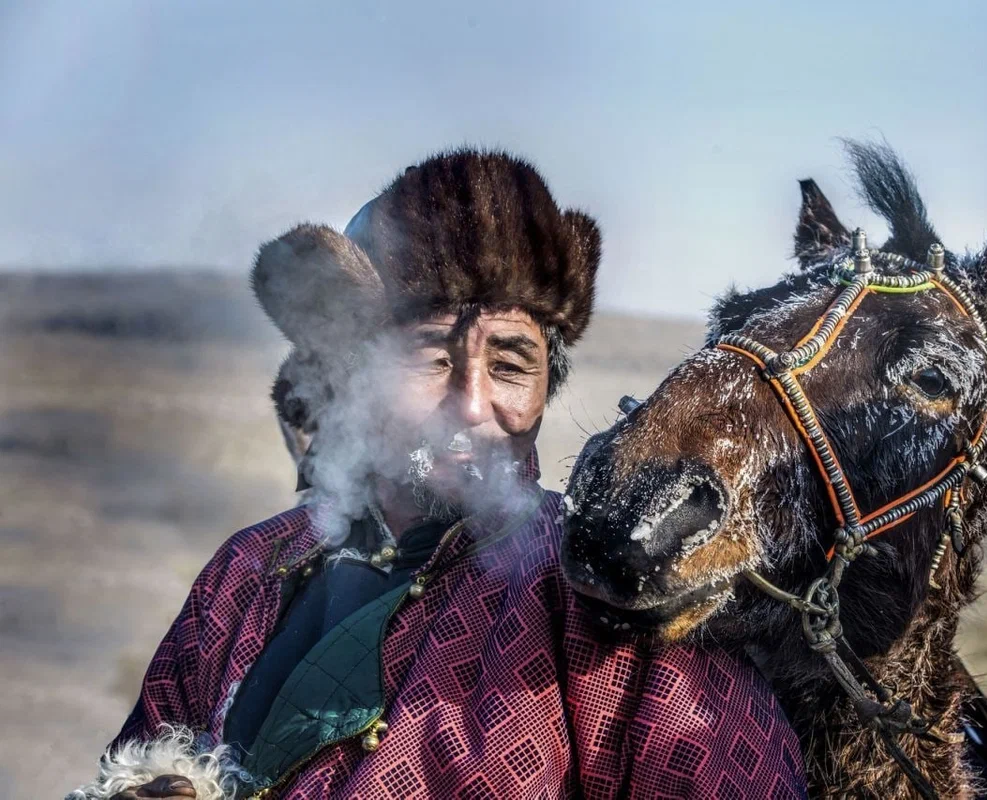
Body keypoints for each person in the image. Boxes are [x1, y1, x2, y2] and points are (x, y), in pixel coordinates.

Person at [91, 150, 809, 799]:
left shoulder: (608, 595)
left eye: (509, 365)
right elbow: (137, 759)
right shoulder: (246, 573)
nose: (470, 404)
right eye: (431, 358)